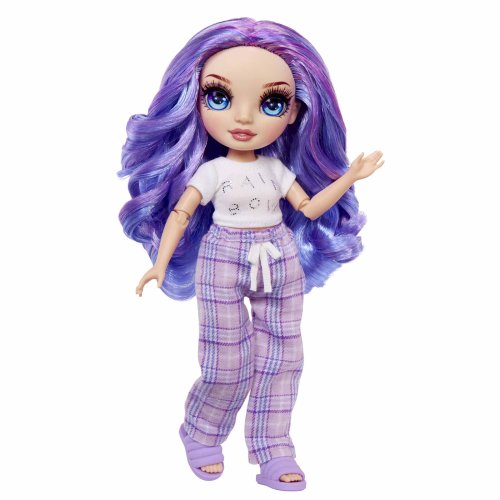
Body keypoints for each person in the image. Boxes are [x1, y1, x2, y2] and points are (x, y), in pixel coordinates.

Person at [118, 18, 383, 491]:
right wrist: (159, 262)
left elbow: (308, 206)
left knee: (284, 355)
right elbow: (180, 214)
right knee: (227, 360)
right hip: (222, 256)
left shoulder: (277, 170)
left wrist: (349, 177)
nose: (243, 118)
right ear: (194, 100)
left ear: (294, 112)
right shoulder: (213, 172)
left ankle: (274, 447)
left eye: (270, 103)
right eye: (219, 97)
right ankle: (201, 430)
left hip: (278, 253)